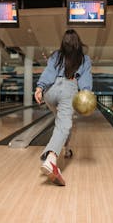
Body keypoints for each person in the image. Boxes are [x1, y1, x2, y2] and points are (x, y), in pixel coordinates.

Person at [34, 29, 92, 186]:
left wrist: (39, 88)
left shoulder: (56, 55)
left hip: (50, 92)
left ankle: (66, 149)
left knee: (63, 123)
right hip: (68, 89)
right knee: (64, 125)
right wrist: (86, 95)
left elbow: (49, 72)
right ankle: (51, 160)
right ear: (78, 43)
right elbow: (85, 81)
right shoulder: (84, 58)